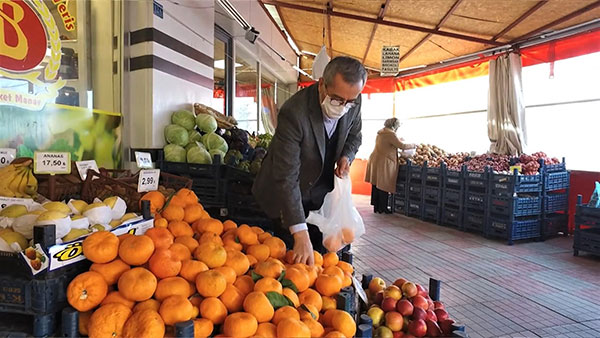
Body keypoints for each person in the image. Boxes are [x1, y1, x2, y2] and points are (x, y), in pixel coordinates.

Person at [252, 56, 367, 265]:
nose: (342, 107)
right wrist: (298, 231)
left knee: (321, 263)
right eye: (336, 100)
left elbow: (355, 135)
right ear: (322, 84)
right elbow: (286, 177)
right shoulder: (294, 113)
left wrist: (346, 156)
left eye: (349, 102)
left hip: (319, 193)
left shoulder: (354, 102)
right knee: (287, 262)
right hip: (283, 198)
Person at [365, 118, 416, 213]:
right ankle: (383, 208)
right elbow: (402, 146)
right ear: (394, 125)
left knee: (376, 184)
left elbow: (389, 145)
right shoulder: (390, 134)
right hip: (385, 161)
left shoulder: (381, 132)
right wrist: (414, 145)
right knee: (384, 184)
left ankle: (377, 207)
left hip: (376, 159)